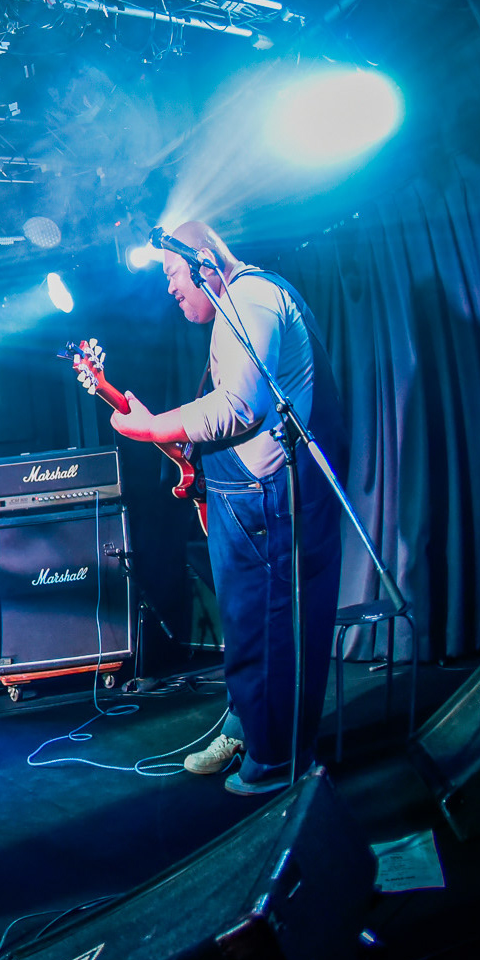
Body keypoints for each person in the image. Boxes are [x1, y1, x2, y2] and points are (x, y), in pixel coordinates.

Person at [108, 222, 346, 796]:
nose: (169, 288)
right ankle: (246, 728)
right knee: (245, 626)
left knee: (271, 625)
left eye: (172, 273)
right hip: (253, 496)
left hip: (271, 499)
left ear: (203, 262)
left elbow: (239, 407)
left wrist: (152, 428)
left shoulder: (249, 297)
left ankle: (275, 759)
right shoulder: (242, 303)